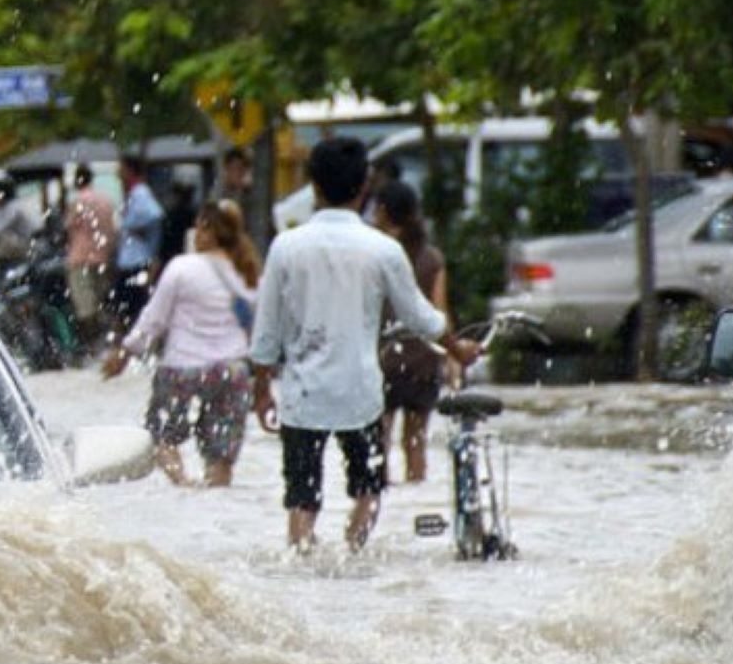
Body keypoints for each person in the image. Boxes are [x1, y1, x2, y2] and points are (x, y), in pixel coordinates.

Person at [249, 137, 446, 553]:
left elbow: (266, 328)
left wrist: (262, 387)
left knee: (301, 500)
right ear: (363, 189)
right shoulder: (384, 249)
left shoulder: (286, 247)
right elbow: (421, 318)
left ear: (314, 187)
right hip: (362, 394)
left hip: (303, 395)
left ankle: (304, 564)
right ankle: (354, 557)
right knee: (368, 489)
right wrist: (458, 347)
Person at [102, 201, 261, 487]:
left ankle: (185, 489)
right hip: (232, 371)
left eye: (199, 226)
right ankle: (212, 502)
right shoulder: (248, 274)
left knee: (164, 440)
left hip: (181, 369)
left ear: (208, 231)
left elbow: (154, 319)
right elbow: (257, 331)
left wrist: (125, 352)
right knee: (221, 459)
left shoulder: (182, 267)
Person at [374, 180, 472, 483]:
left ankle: (381, 509)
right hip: (424, 361)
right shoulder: (432, 258)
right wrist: (453, 357)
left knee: (379, 445)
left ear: (382, 212)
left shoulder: (377, 253)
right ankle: (417, 504)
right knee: (416, 444)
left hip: (384, 359)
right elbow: (440, 312)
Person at [63, 164, 117, 340]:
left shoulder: (77, 201)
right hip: (102, 258)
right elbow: (111, 231)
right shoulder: (106, 201)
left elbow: (68, 227)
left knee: (85, 306)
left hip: (80, 259)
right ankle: (104, 342)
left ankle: (91, 344)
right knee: (100, 302)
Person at [112, 156, 164, 322]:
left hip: (137, 261)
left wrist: (134, 226)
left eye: (121, 169)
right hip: (131, 261)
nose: (118, 173)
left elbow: (154, 214)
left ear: (129, 170)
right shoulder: (132, 194)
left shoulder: (139, 192)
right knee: (127, 310)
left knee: (134, 311)